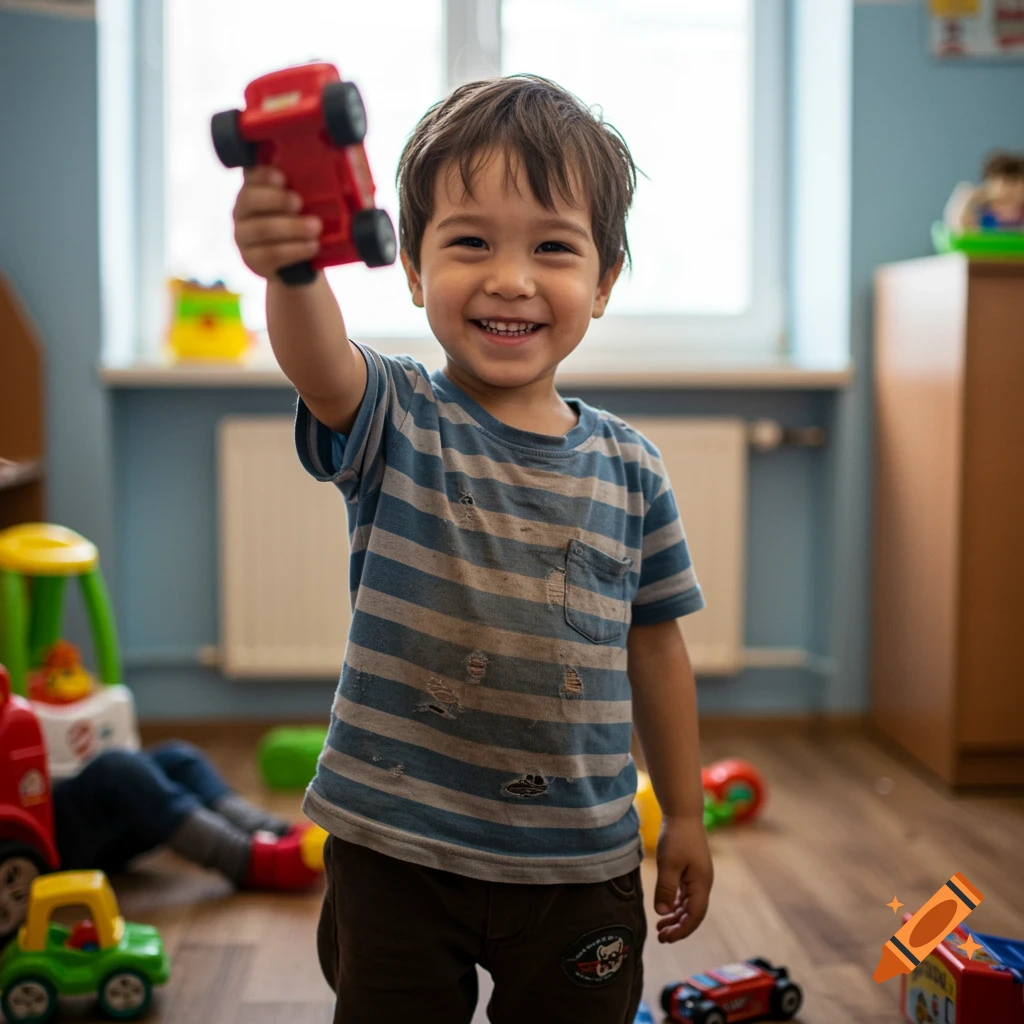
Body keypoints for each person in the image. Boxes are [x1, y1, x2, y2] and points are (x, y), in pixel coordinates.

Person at [231, 74, 713, 1023]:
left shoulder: (632, 469)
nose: (510, 277)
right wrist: (293, 274)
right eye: (469, 243)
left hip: (581, 857)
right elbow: (318, 361)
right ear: (412, 269)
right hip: (396, 849)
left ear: (604, 282)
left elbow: (656, 646)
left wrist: (687, 814)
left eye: (553, 248)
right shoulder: (397, 416)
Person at [54, 741, 324, 891]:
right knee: (116, 768)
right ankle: (248, 861)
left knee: (179, 758)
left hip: (58, 801)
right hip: (54, 835)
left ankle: (274, 830)